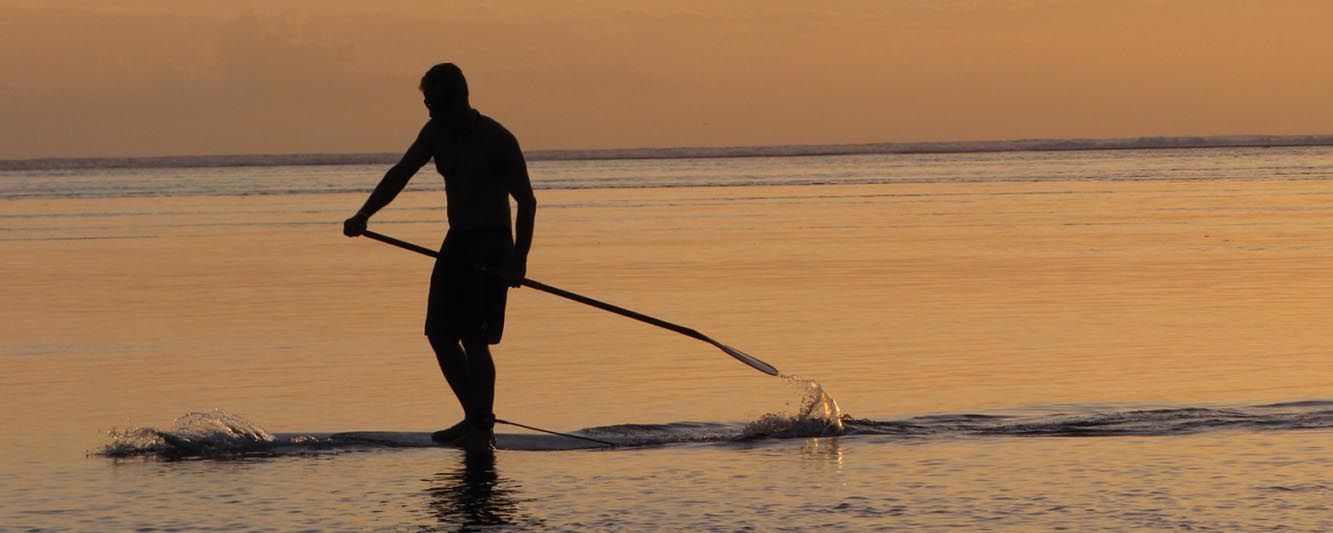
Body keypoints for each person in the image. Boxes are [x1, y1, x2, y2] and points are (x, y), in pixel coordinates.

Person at [344, 63, 537, 451]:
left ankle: (481, 426)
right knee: (439, 334)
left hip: (491, 244)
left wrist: (518, 260)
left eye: (434, 103)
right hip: (457, 242)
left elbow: (527, 202)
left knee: (474, 338)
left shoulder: (497, 140)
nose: (429, 112)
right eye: (426, 104)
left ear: (458, 97)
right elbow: (401, 173)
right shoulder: (435, 133)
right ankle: (476, 417)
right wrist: (365, 213)